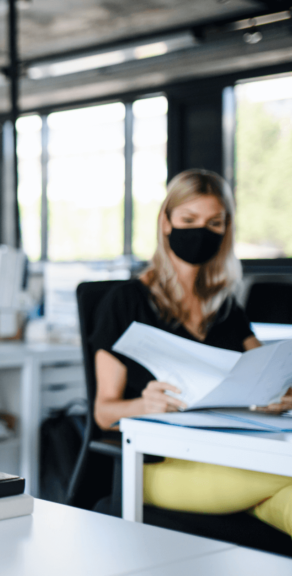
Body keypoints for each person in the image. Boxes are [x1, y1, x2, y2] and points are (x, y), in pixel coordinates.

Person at [91, 169, 292, 536]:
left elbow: (268, 370)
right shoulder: (125, 302)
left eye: (214, 223)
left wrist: (278, 394)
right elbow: (104, 413)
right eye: (189, 220)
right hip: (159, 465)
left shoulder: (226, 307)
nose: (201, 231)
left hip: (231, 452)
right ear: (166, 222)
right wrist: (143, 405)